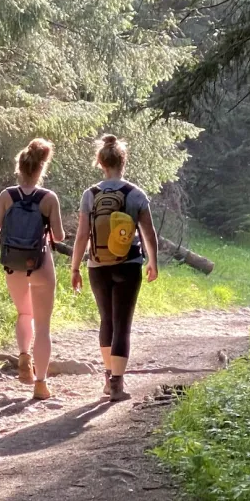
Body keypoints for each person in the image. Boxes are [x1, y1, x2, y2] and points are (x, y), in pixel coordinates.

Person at [0, 138, 65, 400]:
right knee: (43, 326)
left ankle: (24, 355)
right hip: (41, 264)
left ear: (20, 167)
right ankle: (41, 383)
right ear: (41, 169)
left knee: (24, 313)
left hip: (13, 264)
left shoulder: (6, 195)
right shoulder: (49, 198)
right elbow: (57, 236)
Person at [70, 134, 159, 402]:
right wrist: (153, 261)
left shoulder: (90, 194)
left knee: (106, 320)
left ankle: (108, 378)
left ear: (100, 162)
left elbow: (82, 235)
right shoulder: (135, 194)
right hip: (128, 264)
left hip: (97, 266)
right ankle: (118, 385)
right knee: (123, 324)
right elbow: (148, 232)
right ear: (123, 161)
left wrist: (75, 267)